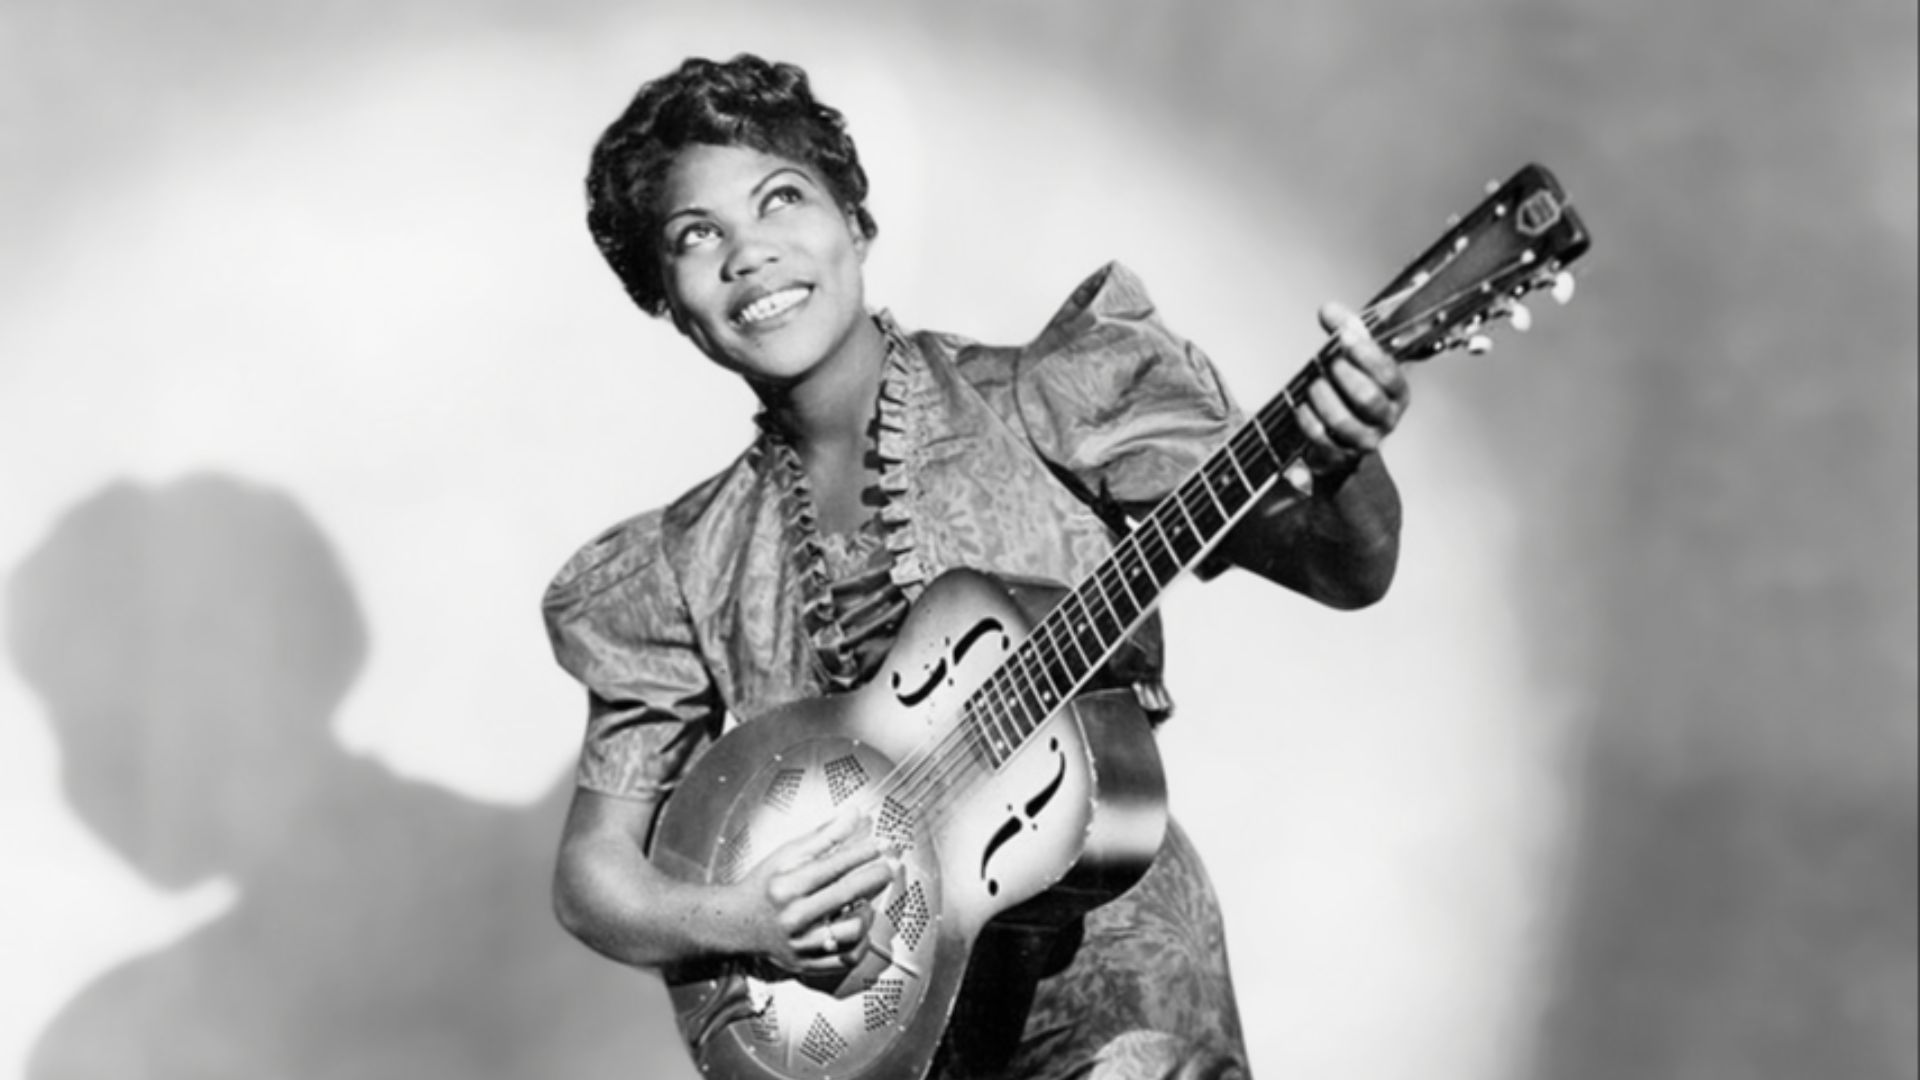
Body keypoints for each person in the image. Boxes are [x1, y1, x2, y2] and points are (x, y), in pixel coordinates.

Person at [541, 53, 1409, 1080]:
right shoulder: (683, 563)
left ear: (856, 225)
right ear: (666, 299)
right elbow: (595, 875)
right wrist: (741, 917)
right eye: (697, 236)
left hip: (1112, 976)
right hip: (874, 1032)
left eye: (782, 200)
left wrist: (1345, 460)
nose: (750, 254)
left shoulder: (1051, 397)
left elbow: (1341, 569)